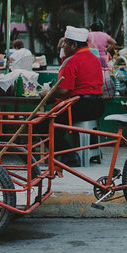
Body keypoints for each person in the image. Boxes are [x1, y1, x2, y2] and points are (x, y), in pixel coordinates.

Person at [41, 26, 105, 167]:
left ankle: (69, 156)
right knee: (58, 120)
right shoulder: (95, 59)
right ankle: (90, 151)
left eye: (65, 43)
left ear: (74, 45)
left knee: (43, 124)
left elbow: (63, 90)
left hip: (80, 106)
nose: (63, 46)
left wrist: (48, 94)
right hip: (98, 105)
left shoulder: (72, 61)